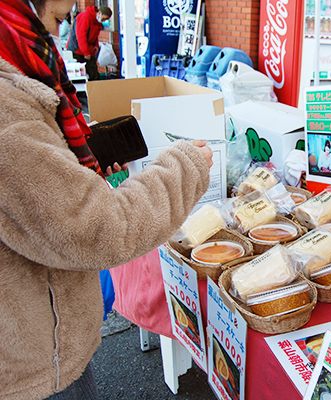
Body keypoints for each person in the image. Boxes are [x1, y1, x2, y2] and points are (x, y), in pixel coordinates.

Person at [0, 0, 213, 399]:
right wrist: (186, 167)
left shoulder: (19, 72)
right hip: (32, 364)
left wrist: (73, 155)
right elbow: (95, 229)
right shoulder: (8, 110)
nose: (57, 35)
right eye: (59, 18)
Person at [67, 5, 111, 80]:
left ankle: (96, 90)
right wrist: (86, 52)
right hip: (77, 50)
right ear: (99, 13)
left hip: (88, 50)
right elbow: (81, 36)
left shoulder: (97, 22)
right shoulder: (85, 17)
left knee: (93, 73)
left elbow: (95, 35)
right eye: (104, 18)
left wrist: (96, 46)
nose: (104, 21)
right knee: (81, 75)